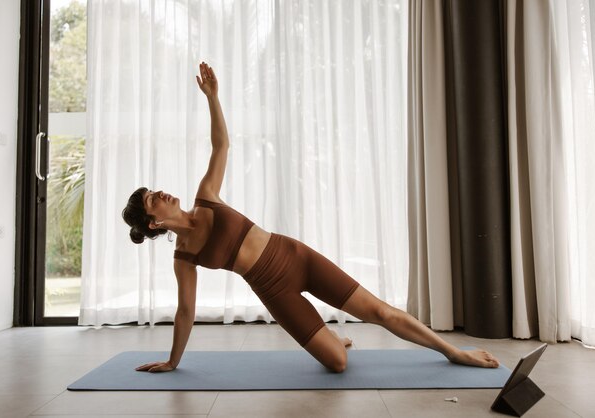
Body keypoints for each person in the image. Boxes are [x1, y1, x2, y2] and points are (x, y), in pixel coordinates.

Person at [122, 62, 500, 373]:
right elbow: (185, 311)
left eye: (155, 189)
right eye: (153, 199)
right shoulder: (184, 258)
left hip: (296, 257)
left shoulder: (206, 198)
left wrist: (213, 98)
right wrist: (174, 361)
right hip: (273, 291)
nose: (161, 193)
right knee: (337, 362)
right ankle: (333, 339)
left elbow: (221, 145)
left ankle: (453, 351)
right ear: (154, 222)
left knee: (380, 311)